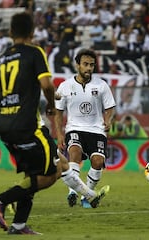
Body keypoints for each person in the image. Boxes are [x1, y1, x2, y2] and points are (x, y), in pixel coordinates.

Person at [0, 13, 109, 235]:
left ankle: (18, 225)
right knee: (50, 174)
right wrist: (50, 103)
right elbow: (47, 84)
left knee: (35, 174)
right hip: (28, 127)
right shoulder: (34, 53)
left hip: (4, 127)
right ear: (32, 33)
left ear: (10, 33)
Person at [55, 48, 116, 208]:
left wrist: (108, 120)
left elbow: (110, 107)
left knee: (97, 162)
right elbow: (58, 113)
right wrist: (60, 135)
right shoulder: (65, 86)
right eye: (85, 64)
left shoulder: (101, 85)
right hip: (74, 128)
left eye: (92, 65)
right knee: (74, 153)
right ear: (77, 65)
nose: (89, 68)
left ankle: (87, 194)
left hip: (97, 130)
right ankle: (72, 193)